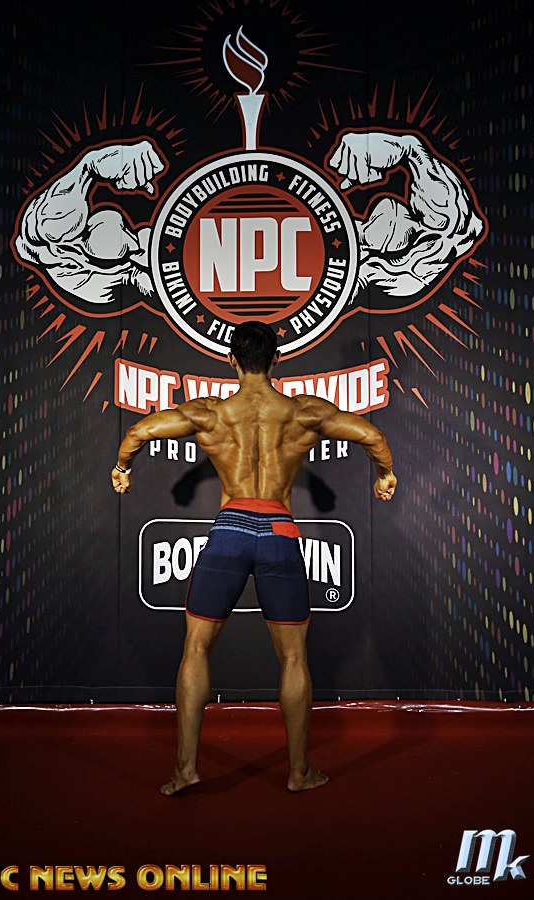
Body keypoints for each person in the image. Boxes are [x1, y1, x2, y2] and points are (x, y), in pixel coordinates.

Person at [111, 321, 397, 795]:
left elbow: (140, 431)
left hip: (229, 531)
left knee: (196, 649)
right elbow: (372, 436)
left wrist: (123, 468)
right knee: (294, 657)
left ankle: (185, 770)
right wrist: (384, 475)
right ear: (276, 359)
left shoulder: (211, 414)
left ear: (231, 360)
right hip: (279, 532)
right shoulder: (303, 413)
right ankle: (299, 773)